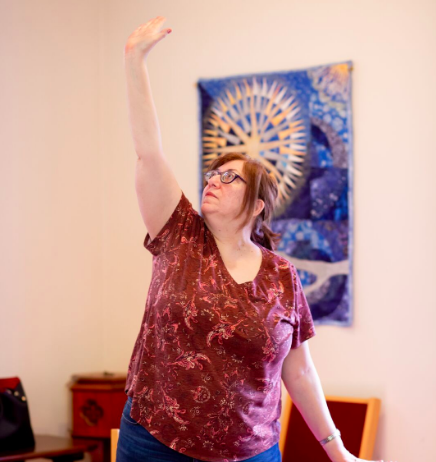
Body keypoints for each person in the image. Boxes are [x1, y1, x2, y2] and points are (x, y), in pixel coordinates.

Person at [117, 16, 391, 462]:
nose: (215, 181)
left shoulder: (282, 276)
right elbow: (149, 152)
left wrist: (338, 451)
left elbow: (299, 372)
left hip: (251, 452)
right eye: (213, 174)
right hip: (155, 441)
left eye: (231, 178)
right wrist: (134, 60)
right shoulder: (178, 234)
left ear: (258, 205)